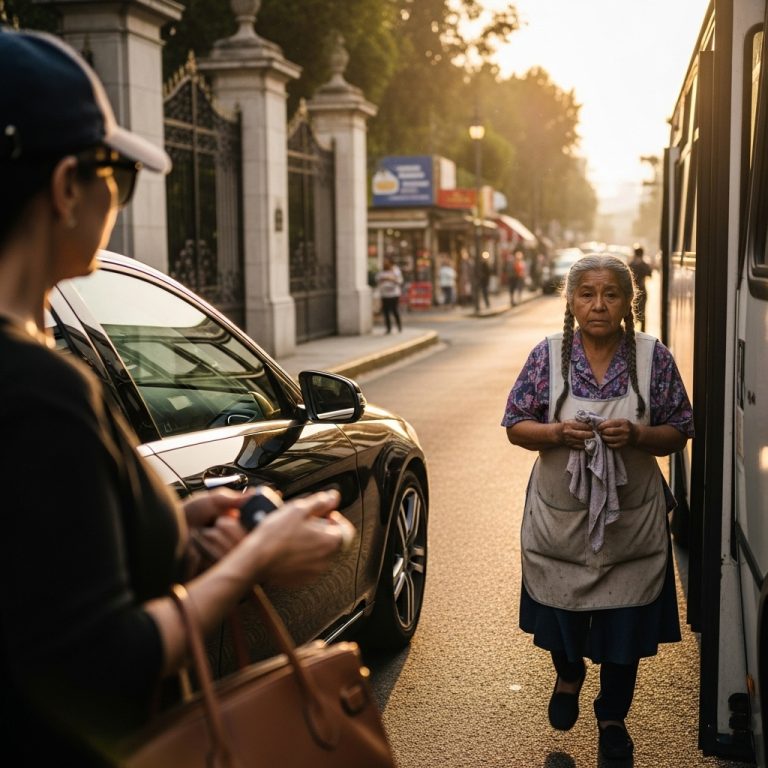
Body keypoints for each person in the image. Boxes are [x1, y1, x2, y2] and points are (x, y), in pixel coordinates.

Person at [0, 28, 355, 765]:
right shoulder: (39, 388)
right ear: (68, 186)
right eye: (118, 178)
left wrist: (173, 523)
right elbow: (105, 661)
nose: (118, 200)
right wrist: (254, 559)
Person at [501, 253, 693, 761]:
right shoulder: (548, 355)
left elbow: (678, 430)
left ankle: (612, 715)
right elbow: (516, 423)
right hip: (559, 520)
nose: (598, 305)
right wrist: (557, 432)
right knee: (560, 610)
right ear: (571, 300)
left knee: (623, 623)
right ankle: (568, 672)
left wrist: (637, 434)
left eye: (611, 294)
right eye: (587, 293)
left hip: (630, 519)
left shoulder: (653, 357)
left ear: (628, 302)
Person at [628, 244, 653, 331]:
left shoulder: (630, 264)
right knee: (642, 312)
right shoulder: (644, 264)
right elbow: (650, 275)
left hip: (632, 292)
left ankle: (631, 331)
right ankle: (643, 331)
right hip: (642, 291)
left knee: (631, 312)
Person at [376, 256, 403, 333]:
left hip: (394, 294)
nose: (385, 263)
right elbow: (378, 279)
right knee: (386, 312)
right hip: (384, 294)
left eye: (386, 261)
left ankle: (399, 326)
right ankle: (388, 328)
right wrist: (385, 279)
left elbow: (399, 281)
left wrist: (390, 279)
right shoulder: (382, 271)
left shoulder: (395, 270)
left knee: (395, 310)